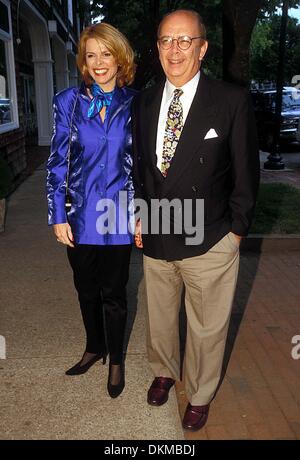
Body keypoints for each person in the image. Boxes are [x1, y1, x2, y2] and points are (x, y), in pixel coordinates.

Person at [132, 9, 260, 430]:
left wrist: (236, 232)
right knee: (161, 315)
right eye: (166, 40)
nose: (175, 49)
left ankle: (201, 393)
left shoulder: (230, 100)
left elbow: (246, 173)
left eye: (185, 40)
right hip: (158, 230)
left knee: (206, 329)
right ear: (157, 47)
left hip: (210, 238)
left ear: (202, 48)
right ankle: (164, 371)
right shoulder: (145, 100)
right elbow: (140, 169)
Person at [46, 23, 136, 398]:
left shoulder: (137, 103)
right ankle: (93, 347)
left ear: (120, 58)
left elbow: (143, 164)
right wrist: (57, 214)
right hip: (80, 214)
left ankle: (115, 359)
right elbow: (57, 161)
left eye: (106, 53)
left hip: (118, 213)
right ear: (83, 62)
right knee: (85, 288)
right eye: (91, 55)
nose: (99, 62)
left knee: (114, 292)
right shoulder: (68, 102)